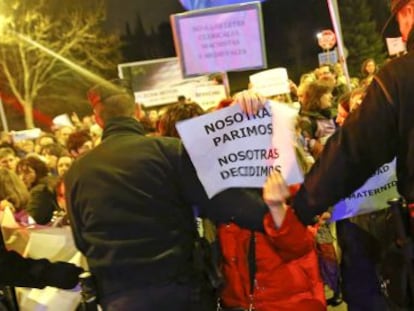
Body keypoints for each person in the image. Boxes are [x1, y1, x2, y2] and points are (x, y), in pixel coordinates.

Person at [242, 0, 414, 308]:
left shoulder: (401, 77)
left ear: (409, 11)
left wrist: (299, 210)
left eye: (400, 22)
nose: (402, 33)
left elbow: (352, 153)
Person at [64, 79, 269, 311]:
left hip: (120, 295)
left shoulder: (77, 172)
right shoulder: (170, 152)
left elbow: (82, 240)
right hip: (180, 290)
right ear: (138, 111)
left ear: (98, 119)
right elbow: (224, 202)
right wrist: (278, 216)